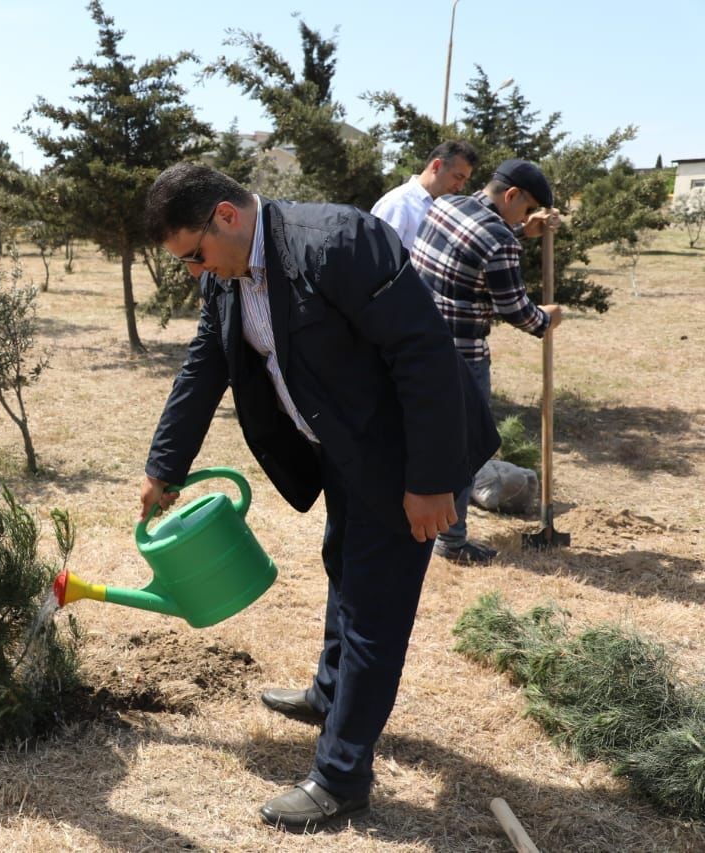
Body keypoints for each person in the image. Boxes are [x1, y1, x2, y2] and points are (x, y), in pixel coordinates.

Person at [140, 163, 498, 831]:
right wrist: (164, 467)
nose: (195, 272)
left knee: (373, 611)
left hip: (404, 459)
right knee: (344, 568)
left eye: (194, 255)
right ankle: (329, 695)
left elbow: (422, 351)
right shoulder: (231, 275)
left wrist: (428, 481)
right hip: (347, 451)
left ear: (226, 215)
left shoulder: (334, 242)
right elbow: (205, 364)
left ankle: (340, 777)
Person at [412, 158, 563, 565]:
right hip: (462, 359)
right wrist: (548, 317)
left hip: (415, 345)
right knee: (463, 448)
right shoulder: (500, 241)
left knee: (424, 438)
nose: (528, 217)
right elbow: (517, 310)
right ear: (512, 195)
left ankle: (425, 522)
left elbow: (473, 242)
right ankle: (452, 539)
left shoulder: (446, 205)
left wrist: (519, 228)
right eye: (527, 209)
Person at [370, 140, 479, 250]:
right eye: (458, 177)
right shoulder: (396, 204)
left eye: (465, 181)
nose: (460, 187)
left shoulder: (445, 208)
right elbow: (380, 258)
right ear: (436, 166)